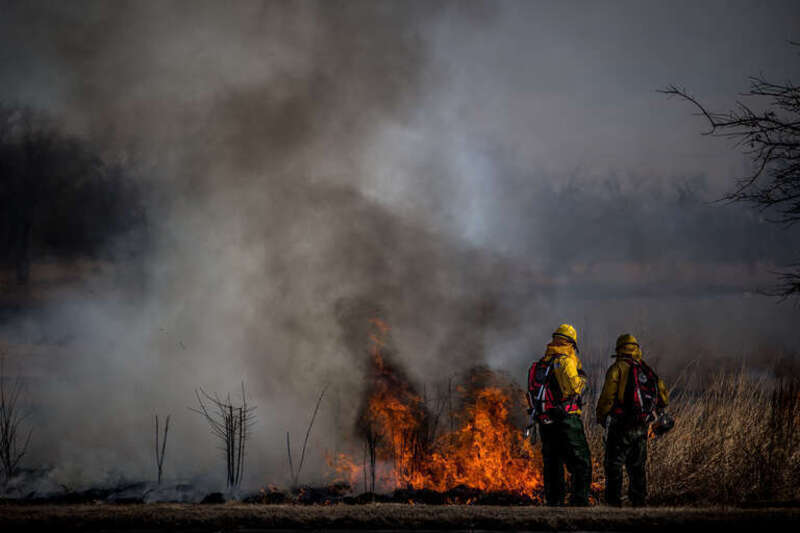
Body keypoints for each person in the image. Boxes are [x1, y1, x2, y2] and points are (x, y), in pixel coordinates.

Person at [596, 334, 670, 507]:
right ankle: (638, 502)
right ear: (636, 349)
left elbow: (607, 397)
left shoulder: (617, 368)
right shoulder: (646, 369)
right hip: (642, 425)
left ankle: (613, 504)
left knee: (614, 464)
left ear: (619, 349)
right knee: (637, 466)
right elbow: (663, 398)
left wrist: (601, 416)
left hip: (620, 425)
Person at [527, 324, 591, 506]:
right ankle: (579, 502)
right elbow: (573, 388)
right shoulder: (564, 361)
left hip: (545, 420)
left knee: (553, 462)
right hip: (566, 419)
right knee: (581, 460)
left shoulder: (541, 364)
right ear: (571, 343)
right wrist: (583, 378)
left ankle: (554, 502)